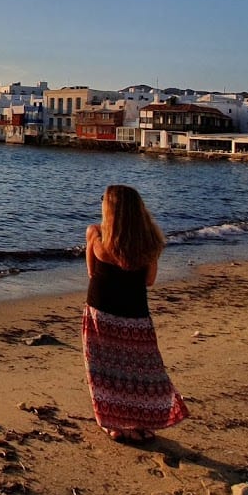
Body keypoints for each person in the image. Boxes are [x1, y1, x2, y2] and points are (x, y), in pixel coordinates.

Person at [83, 184, 189, 443]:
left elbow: (91, 272)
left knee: (104, 370)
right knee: (140, 371)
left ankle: (114, 423)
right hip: (135, 315)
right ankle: (140, 422)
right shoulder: (149, 242)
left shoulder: (96, 235)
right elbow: (149, 281)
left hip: (101, 312)